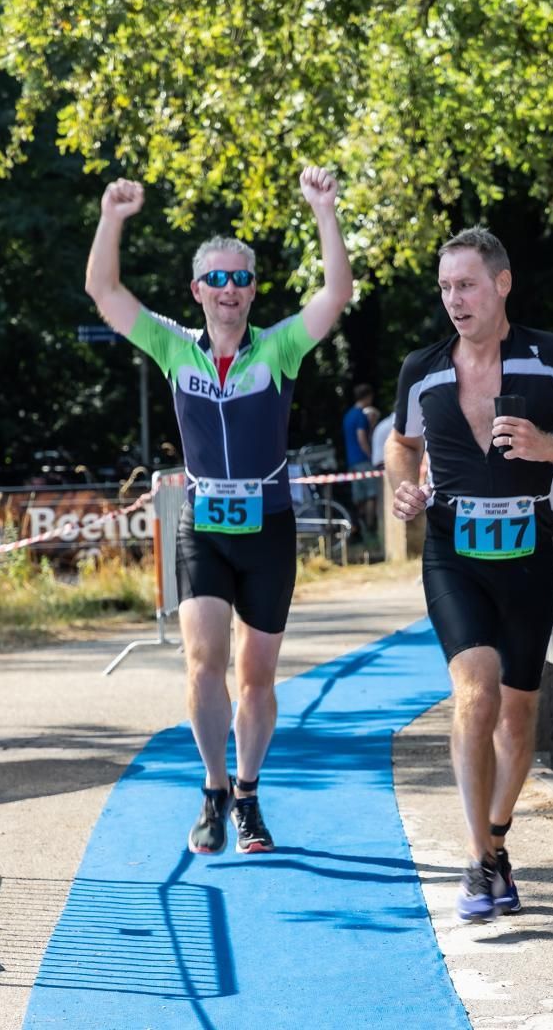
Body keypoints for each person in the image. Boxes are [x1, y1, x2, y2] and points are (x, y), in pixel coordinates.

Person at [85, 166, 353, 855]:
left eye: (242, 279)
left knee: (256, 674)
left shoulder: (280, 347)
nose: (231, 290)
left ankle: (248, 794)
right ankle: (210, 788)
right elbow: (104, 291)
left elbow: (336, 294)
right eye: (219, 279)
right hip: (201, 525)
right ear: (199, 290)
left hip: (268, 526)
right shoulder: (176, 347)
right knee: (203, 660)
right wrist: (113, 216)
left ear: (253, 290)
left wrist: (324, 210)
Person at [385, 227, 553, 923]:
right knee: (475, 691)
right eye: (446, 288)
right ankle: (475, 858)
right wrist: (403, 489)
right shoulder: (422, 369)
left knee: (518, 715)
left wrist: (550, 445)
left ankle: (495, 842)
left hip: (527, 551)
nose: (455, 300)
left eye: (467, 285)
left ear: (502, 283)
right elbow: (402, 446)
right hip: (452, 548)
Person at [342, 383, 378, 538]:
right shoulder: (361, 415)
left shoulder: (348, 415)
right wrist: (371, 456)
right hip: (363, 460)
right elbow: (362, 437)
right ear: (368, 396)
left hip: (352, 462)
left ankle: (362, 530)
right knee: (371, 496)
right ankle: (370, 529)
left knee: (359, 498)